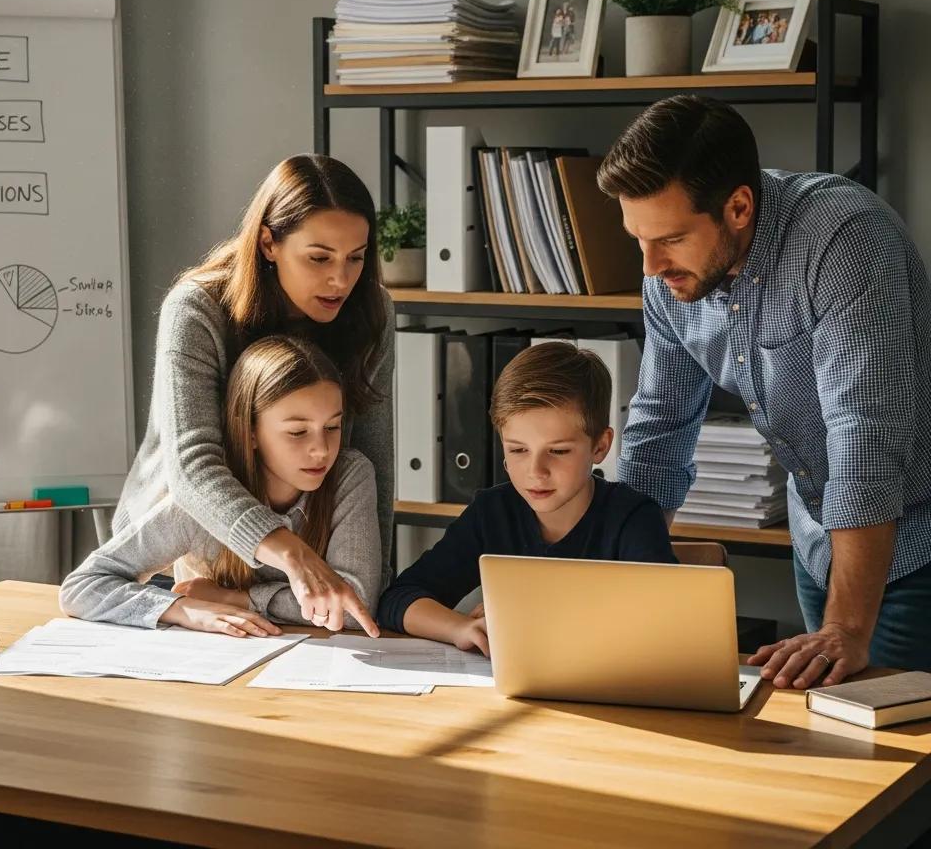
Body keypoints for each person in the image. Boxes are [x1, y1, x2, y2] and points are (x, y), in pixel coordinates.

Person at [597, 94, 931, 686]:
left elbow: (864, 438)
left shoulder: (844, 240)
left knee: (896, 760)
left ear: (739, 207)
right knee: (828, 742)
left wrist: (848, 627)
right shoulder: (668, 276)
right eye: (637, 240)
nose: (649, 266)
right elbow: (658, 428)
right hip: (819, 541)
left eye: (670, 239)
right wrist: (618, 587)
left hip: (915, 540)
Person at [112, 153, 395, 627]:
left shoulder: (371, 310)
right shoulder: (197, 308)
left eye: (356, 258)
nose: (340, 279)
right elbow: (193, 468)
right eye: (319, 258)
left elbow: (371, 456)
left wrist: (370, 581)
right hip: (177, 558)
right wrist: (290, 551)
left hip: (294, 577)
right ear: (268, 242)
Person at [61, 336, 381, 636]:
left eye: (332, 427)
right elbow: (82, 586)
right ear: (251, 431)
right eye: (298, 432)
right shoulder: (207, 497)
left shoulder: (349, 476)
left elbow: (356, 607)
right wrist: (183, 609)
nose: (322, 450)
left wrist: (235, 599)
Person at [377, 342, 677, 655]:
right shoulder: (492, 512)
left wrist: (531, 614)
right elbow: (399, 598)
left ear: (600, 446)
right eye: (518, 450)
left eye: (558, 451)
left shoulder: (633, 518)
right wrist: (459, 627)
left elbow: (664, 624)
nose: (536, 471)